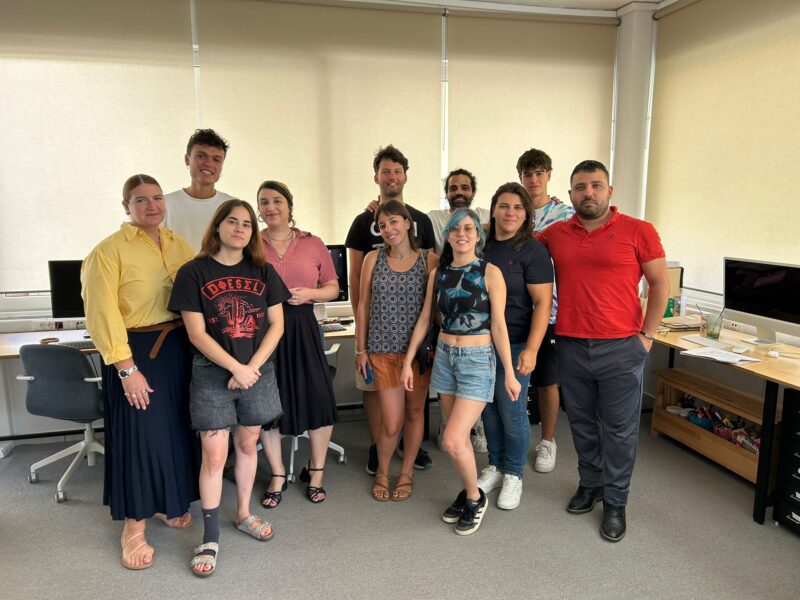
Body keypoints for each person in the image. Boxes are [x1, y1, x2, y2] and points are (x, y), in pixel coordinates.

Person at [537, 160, 668, 542]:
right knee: (580, 423)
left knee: (619, 430)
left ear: (609, 191)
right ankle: (590, 484)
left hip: (621, 347)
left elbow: (660, 285)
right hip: (571, 345)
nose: (588, 193)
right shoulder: (556, 234)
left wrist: (647, 337)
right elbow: (515, 242)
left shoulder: (639, 230)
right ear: (570, 194)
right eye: (580, 187)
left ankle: (615, 502)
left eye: (596, 185)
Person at [81, 174, 200, 570]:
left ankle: (168, 503)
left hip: (179, 348)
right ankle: (133, 526)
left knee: (177, 431)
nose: (152, 206)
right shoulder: (107, 252)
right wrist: (126, 368)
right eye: (141, 200)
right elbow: (101, 315)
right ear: (126, 206)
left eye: (157, 198)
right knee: (141, 437)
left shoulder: (178, 244)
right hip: (136, 354)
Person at [169, 199, 289, 576]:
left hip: (257, 374)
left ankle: (243, 514)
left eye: (247, 224)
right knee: (215, 456)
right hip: (212, 375)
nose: (240, 229)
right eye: (232, 221)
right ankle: (209, 536)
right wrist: (235, 367)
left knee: (248, 445)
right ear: (218, 226)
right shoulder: (193, 272)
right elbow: (196, 333)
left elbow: (277, 325)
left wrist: (250, 368)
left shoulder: (264, 272)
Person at [402, 208, 520, 535]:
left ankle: (474, 497)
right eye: (455, 229)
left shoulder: (490, 272)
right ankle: (470, 493)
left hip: (477, 359)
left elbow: (499, 326)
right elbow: (425, 320)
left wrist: (510, 373)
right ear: (448, 235)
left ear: (478, 236)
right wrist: (408, 361)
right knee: (459, 439)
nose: (461, 234)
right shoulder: (438, 274)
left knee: (453, 440)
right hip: (445, 357)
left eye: (468, 228)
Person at [345, 145, 436, 475]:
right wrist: (362, 337)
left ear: (405, 176)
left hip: (415, 338)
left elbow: (433, 284)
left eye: (397, 171)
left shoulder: (423, 221)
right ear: (376, 177)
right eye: (385, 171)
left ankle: (408, 448)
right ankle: (377, 446)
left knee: (413, 405)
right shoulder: (362, 222)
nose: (392, 176)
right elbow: (356, 281)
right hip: (378, 334)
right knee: (376, 395)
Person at [256, 180, 340, 506]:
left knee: (319, 397)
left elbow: (332, 287)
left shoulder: (313, 243)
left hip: (304, 324)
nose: (271, 207)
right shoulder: (251, 244)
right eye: (264, 202)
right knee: (268, 402)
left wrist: (310, 294)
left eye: (277, 201)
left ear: (289, 206)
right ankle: (277, 473)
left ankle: (316, 471)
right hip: (265, 330)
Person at [355, 201, 439, 501]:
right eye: (382, 225)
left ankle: (406, 472)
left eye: (393, 222)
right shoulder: (372, 258)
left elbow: (437, 308)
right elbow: (363, 305)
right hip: (382, 351)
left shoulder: (429, 259)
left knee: (415, 412)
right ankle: (382, 471)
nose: (388, 229)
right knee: (391, 421)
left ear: (407, 223)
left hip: (417, 354)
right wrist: (360, 349)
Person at [478, 183, 553, 510]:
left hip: (517, 341)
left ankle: (513, 473)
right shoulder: (481, 244)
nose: (510, 213)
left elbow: (543, 303)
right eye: (504, 206)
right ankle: (495, 465)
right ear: (493, 209)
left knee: (511, 409)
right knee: (488, 408)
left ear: (527, 215)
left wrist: (532, 349)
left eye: (518, 207)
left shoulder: (533, 251)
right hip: (480, 343)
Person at [516, 147, 574, 473]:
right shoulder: (514, 211)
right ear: (520, 177)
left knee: (547, 380)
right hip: (515, 311)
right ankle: (512, 438)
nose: (534, 180)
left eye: (539, 173)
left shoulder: (566, 215)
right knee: (512, 376)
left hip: (551, 312)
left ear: (549, 175)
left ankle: (548, 441)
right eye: (528, 174)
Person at [164, 129, 233, 251]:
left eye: (216, 159)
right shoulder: (165, 204)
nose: (208, 163)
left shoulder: (232, 206)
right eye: (201, 156)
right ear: (187, 159)